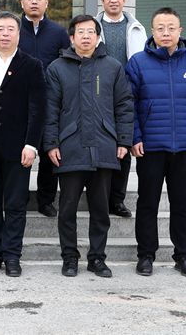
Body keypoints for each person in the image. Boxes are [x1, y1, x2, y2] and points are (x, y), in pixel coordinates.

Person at [126, 7, 186, 278]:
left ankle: (183, 255)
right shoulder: (138, 63)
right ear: (152, 31)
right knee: (147, 203)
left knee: (182, 204)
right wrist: (135, 137)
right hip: (150, 147)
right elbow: (128, 104)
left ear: (180, 31)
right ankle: (146, 255)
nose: (166, 33)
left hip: (185, 146)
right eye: (160, 28)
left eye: (171, 28)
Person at [44, 15, 133, 278]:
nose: (86, 36)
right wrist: (51, 143)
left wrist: (123, 140)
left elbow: (124, 106)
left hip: (104, 146)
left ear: (98, 36)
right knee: (67, 209)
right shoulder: (57, 68)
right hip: (70, 147)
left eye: (91, 32)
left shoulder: (113, 67)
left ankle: (97, 258)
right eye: (80, 32)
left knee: (100, 210)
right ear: (71, 38)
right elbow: (50, 110)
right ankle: (69, 258)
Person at [0, 11, 46, 277]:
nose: (5, 34)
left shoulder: (32, 66)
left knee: (15, 205)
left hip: (18, 148)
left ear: (18, 34)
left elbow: (38, 109)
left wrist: (32, 144)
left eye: (10, 29)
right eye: (0, 29)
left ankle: (12, 255)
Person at [17, 0, 70, 218]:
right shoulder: (14, 30)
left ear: (47, 2)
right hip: (20, 101)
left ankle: (46, 200)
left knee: (49, 151)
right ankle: (18, 197)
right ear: (22, 3)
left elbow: (66, 65)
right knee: (20, 151)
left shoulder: (58, 33)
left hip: (50, 101)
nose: (34, 2)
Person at [95, 0, 147, 219]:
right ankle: (99, 199)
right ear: (102, 0)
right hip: (98, 93)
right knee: (100, 146)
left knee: (123, 146)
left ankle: (117, 199)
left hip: (127, 94)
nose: (113, 0)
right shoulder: (92, 26)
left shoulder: (136, 27)